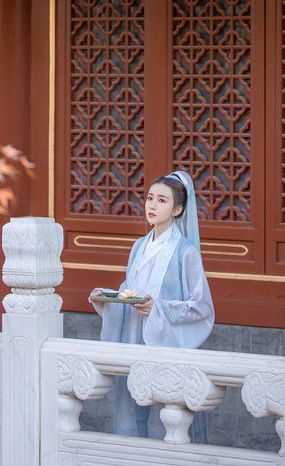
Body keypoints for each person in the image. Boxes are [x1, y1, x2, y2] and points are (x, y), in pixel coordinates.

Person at [89, 170, 214, 440]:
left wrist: (158, 308)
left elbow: (201, 307)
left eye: (162, 200)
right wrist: (108, 297)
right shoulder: (139, 246)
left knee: (164, 415)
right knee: (130, 413)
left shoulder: (185, 252)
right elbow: (129, 291)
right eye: (149, 199)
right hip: (133, 339)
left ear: (179, 209)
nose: (152, 206)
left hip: (164, 343)